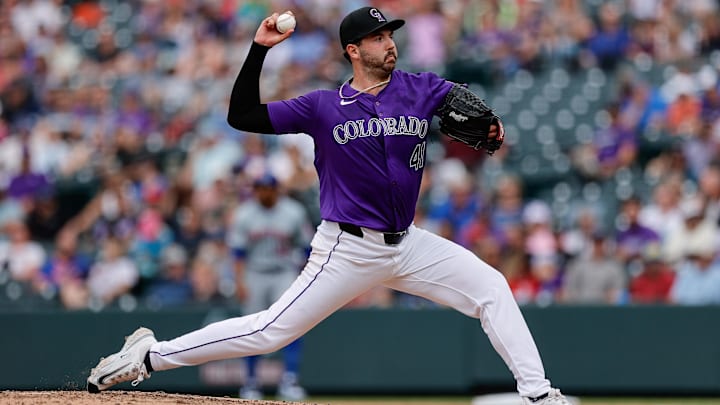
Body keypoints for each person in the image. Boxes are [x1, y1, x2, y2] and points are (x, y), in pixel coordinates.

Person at [87, 7, 571, 404]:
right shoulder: (322, 106)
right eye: (378, 37)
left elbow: (470, 110)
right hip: (347, 247)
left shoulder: (420, 87)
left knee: (491, 286)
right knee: (269, 332)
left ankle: (538, 395)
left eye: (390, 34)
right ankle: (149, 356)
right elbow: (243, 115)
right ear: (354, 50)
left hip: (409, 243)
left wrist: (490, 126)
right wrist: (258, 49)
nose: (389, 43)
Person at [227, 173, 312, 401]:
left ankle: (290, 380)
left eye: (268, 188)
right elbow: (237, 253)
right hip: (255, 273)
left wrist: (304, 276)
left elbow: (307, 248)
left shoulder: (293, 211)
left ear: (276, 190)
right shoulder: (245, 213)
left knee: (292, 323)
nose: (264, 192)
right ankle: (251, 382)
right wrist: (239, 281)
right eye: (260, 188)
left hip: (284, 272)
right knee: (251, 328)